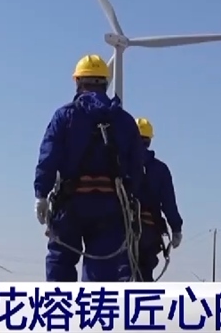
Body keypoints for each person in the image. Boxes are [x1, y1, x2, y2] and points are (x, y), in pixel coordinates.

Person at [34, 54, 145, 282]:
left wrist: (41, 195)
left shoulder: (64, 116)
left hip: (70, 204)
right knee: (101, 273)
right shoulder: (125, 121)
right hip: (110, 207)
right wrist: (130, 196)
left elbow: (48, 157)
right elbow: (137, 166)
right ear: (106, 82)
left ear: (77, 81)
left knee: (60, 262)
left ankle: (60, 305)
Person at [134, 117, 183, 282]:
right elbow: (169, 203)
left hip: (119, 230)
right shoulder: (160, 170)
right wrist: (176, 228)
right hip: (148, 232)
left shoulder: (119, 163)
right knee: (144, 275)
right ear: (149, 141)